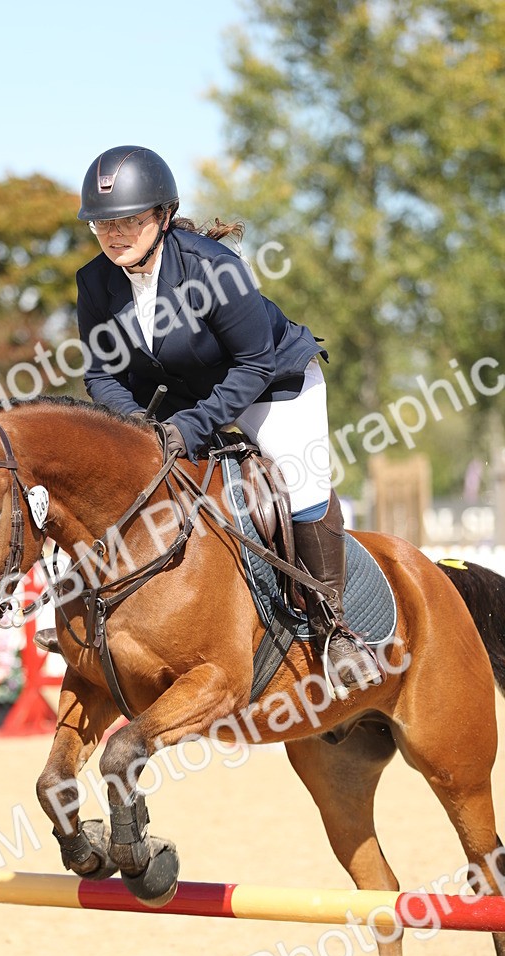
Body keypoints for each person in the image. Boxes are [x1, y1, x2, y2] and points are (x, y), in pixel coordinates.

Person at [75, 144, 382, 694]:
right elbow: (101, 376)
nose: (114, 235)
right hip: (181, 391)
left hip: (271, 382)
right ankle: (90, 615)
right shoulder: (95, 283)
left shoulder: (213, 269)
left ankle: (334, 629)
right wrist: (140, 431)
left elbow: (254, 362)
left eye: (129, 221)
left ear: (163, 217)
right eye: (102, 225)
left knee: (298, 478)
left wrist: (189, 429)